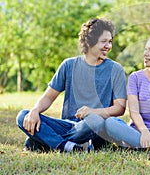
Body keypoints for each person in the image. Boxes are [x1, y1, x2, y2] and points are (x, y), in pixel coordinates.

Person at [16, 18, 127, 152]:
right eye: (104, 41)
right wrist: (35, 111)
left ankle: (45, 141)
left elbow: (119, 108)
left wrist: (92, 112)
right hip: (69, 125)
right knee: (23, 116)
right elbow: (48, 97)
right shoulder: (68, 65)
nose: (108, 46)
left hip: (96, 128)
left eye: (110, 42)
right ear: (89, 41)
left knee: (95, 121)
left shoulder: (116, 69)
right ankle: (68, 146)